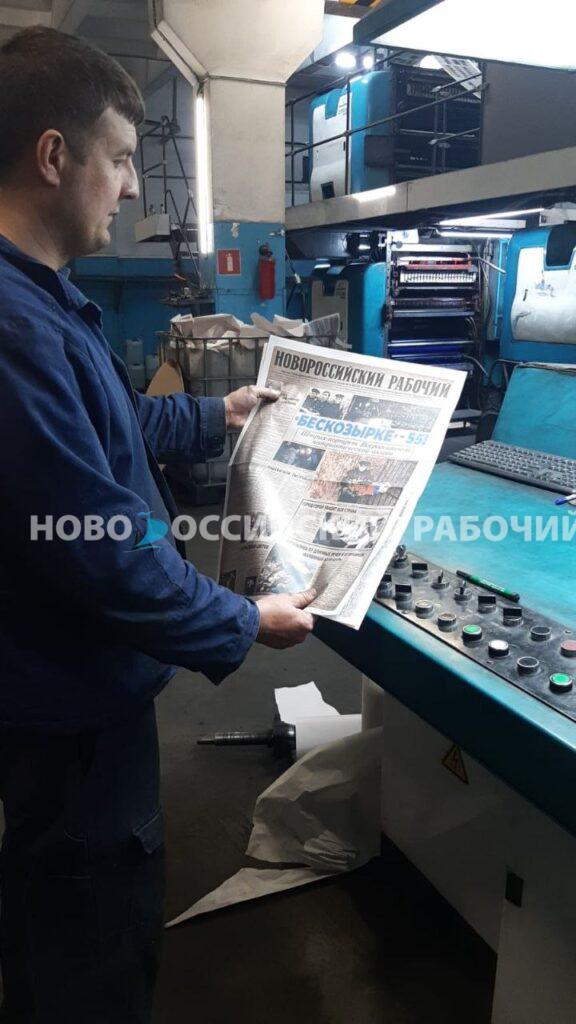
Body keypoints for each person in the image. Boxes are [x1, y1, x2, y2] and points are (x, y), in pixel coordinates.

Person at [0, 26, 315, 1024]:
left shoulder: (45, 304)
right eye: (124, 159)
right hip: (71, 713)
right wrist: (242, 618)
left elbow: (117, 424)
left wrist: (218, 413)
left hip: (74, 698)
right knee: (90, 942)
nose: (134, 188)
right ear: (56, 156)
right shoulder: (13, 327)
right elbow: (101, 548)